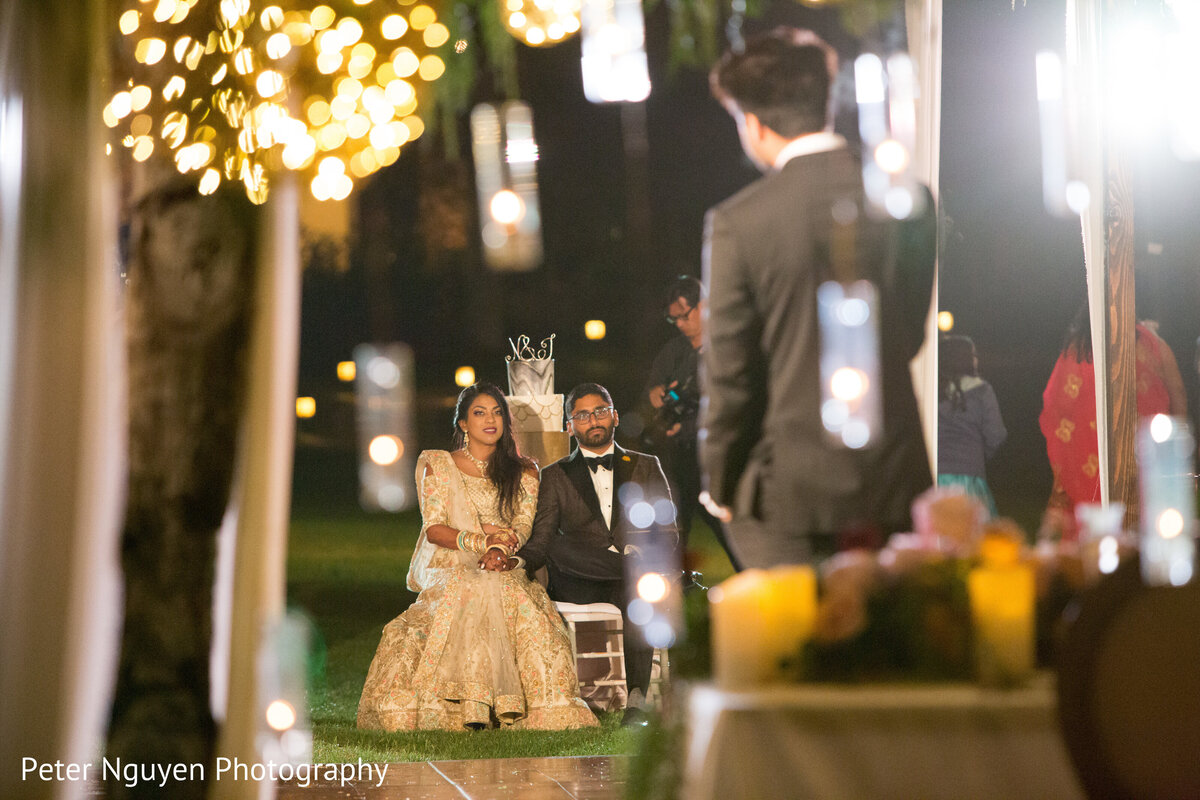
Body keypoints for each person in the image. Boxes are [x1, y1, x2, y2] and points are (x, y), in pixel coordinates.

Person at [699, 28, 937, 567]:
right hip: (893, 480)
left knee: (797, 647)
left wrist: (720, 480)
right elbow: (909, 334)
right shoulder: (911, 200)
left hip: (791, 493)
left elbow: (730, 372)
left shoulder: (741, 221)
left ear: (753, 123)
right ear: (824, 103)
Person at [356, 382, 597, 731]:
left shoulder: (524, 469)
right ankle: (463, 708)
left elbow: (523, 524)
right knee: (469, 591)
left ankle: (515, 707)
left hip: (504, 562)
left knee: (507, 593)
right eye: (480, 413)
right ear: (463, 424)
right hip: (453, 563)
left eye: (498, 412)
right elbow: (435, 529)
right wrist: (482, 542)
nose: (490, 420)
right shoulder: (438, 465)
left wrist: (500, 550)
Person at [518, 382, 678, 725]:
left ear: (615, 416)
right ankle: (631, 568)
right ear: (570, 426)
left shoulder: (646, 465)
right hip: (580, 579)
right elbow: (542, 540)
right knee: (560, 547)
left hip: (626, 582)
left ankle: (635, 703)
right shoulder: (554, 476)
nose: (594, 420)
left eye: (601, 411)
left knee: (638, 590)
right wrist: (519, 561)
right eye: (583, 415)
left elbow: (667, 533)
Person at [1039, 309, 1188, 541]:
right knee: (1141, 530)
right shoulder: (1152, 344)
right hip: (1141, 453)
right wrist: (1175, 449)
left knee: (1091, 531)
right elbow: (1177, 393)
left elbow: (1056, 404)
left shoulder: (1077, 348)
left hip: (1087, 457)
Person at [644, 275, 741, 570]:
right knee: (675, 524)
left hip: (716, 455)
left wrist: (688, 424)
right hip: (679, 456)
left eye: (684, 316)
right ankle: (673, 584)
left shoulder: (725, 349)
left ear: (703, 306)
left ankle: (750, 575)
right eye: (674, 319)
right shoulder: (674, 351)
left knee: (725, 523)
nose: (681, 324)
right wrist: (656, 394)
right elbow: (654, 389)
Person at [937, 334, 1007, 518]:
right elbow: (996, 434)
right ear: (967, 359)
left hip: (937, 478)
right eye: (974, 355)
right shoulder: (982, 391)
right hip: (970, 475)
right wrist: (981, 454)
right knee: (973, 538)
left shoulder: (934, 391)